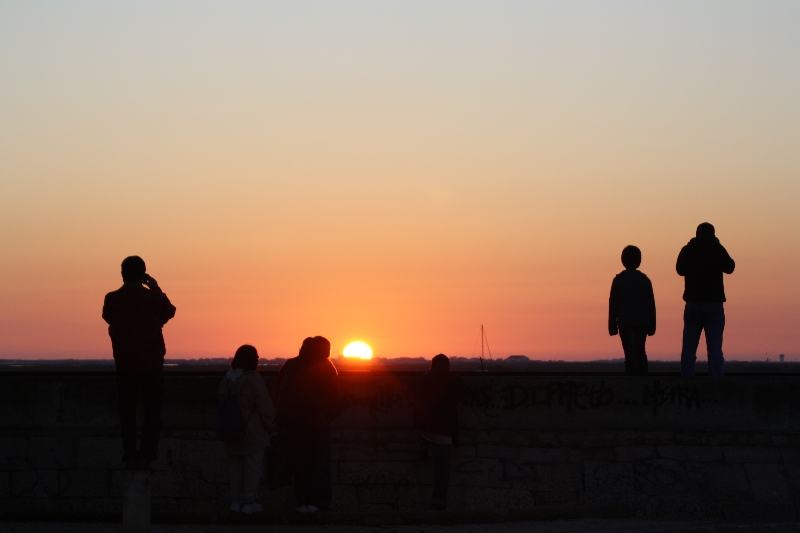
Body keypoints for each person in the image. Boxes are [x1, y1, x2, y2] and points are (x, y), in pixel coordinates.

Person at [102, 256, 176, 469]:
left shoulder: (112, 299)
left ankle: (130, 452)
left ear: (122, 273)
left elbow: (108, 317)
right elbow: (169, 311)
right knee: (152, 413)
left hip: (124, 365)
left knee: (127, 413)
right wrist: (155, 288)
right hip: (152, 364)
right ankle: (147, 454)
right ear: (143, 273)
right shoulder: (152, 298)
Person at [274, 336, 340, 513]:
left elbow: (282, 393)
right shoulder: (327, 367)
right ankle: (319, 502)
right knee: (319, 464)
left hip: (294, 423)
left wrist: (281, 420)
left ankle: (302, 501)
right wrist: (326, 415)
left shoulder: (292, 365)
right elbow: (336, 397)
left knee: (299, 464)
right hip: (318, 423)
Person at [218, 345, 274, 515]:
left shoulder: (227, 379)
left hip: (231, 430)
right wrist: (273, 427)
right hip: (253, 432)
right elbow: (265, 407)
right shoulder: (254, 379)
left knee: (235, 469)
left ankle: (234, 501)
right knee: (252, 469)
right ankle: (250, 502)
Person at [677, 223, 736, 377]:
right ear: (712, 234)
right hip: (714, 304)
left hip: (693, 304)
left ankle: (686, 379)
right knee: (715, 348)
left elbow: (679, 270)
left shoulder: (688, 249)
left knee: (689, 347)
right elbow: (730, 267)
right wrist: (718, 245)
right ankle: (716, 381)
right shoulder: (716, 248)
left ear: (697, 233)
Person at [413, 354, 463, 510]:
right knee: (442, 469)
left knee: (427, 442)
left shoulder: (423, 380)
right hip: (444, 432)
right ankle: (439, 500)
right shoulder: (455, 381)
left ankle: (425, 449)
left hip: (425, 428)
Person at [608, 245, 656, 376]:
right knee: (640, 350)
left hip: (625, 323)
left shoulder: (618, 280)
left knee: (630, 352)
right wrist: (652, 325)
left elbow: (613, 304)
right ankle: (642, 378)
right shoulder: (645, 280)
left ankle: (632, 378)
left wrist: (612, 325)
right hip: (641, 323)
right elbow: (651, 305)